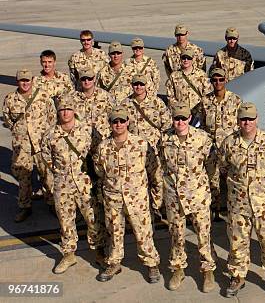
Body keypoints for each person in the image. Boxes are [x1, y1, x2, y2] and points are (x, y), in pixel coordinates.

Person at [218, 102, 265, 299]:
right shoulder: (229, 143)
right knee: (237, 243)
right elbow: (223, 167)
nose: (246, 122)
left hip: (264, 205)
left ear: (257, 119)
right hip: (238, 205)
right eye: (243, 119)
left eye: (250, 118)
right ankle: (237, 275)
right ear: (238, 120)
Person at [93, 107, 161, 283]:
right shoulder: (103, 147)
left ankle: (151, 264)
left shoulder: (141, 145)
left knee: (143, 232)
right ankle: (114, 262)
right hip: (113, 198)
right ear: (110, 124)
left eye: (122, 121)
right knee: (114, 232)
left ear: (128, 122)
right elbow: (100, 171)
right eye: (115, 121)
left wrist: (156, 194)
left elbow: (153, 169)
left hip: (137, 198)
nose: (119, 124)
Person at [40, 95, 105, 274]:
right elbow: (46, 156)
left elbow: (99, 150)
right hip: (62, 184)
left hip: (84, 181)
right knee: (65, 220)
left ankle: (99, 251)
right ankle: (68, 254)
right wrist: (58, 172)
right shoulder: (51, 134)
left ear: (74, 111)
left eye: (68, 109)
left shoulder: (86, 130)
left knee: (93, 217)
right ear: (58, 112)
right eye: (62, 110)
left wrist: (95, 173)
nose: (65, 113)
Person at [158, 103, 217, 292]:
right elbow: (160, 165)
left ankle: (208, 270)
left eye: (184, 118)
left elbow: (211, 165)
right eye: (177, 118)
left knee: (203, 234)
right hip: (174, 195)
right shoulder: (164, 138)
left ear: (190, 119)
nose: (180, 122)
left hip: (197, 193)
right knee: (176, 234)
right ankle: (178, 268)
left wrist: (211, 188)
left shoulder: (203, 139)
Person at [2, 69, 56, 222]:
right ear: (17, 81)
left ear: (32, 80)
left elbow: (52, 118)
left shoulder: (43, 96)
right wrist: (20, 133)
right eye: (22, 80)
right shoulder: (10, 99)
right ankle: (25, 206)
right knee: (23, 177)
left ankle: (51, 202)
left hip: (41, 144)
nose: (25, 83)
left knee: (48, 175)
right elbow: (8, 120)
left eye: (27, 80)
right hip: (23, 145)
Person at [120, 74, 171, 211]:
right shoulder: (125, 104)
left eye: (141, 84)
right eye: (136, 84)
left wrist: (162, 143)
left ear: (146, 85)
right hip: (134, 152)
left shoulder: (156, 102)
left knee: (157, 180)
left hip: (153, 149)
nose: (138, 87)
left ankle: (157, 207)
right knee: (137, 182)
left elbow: (167, 124)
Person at [199, 68, 241, 219]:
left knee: (231, 179)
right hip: (211, 147)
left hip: (228, 148)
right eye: (214, 80)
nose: (218, 83)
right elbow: (203, 125)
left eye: (221, 79)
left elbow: (240, 125)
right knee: (212, 179)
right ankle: (214, 209)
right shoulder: (205, 101)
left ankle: (233, 209)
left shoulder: (235, 100)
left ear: (226, 80)